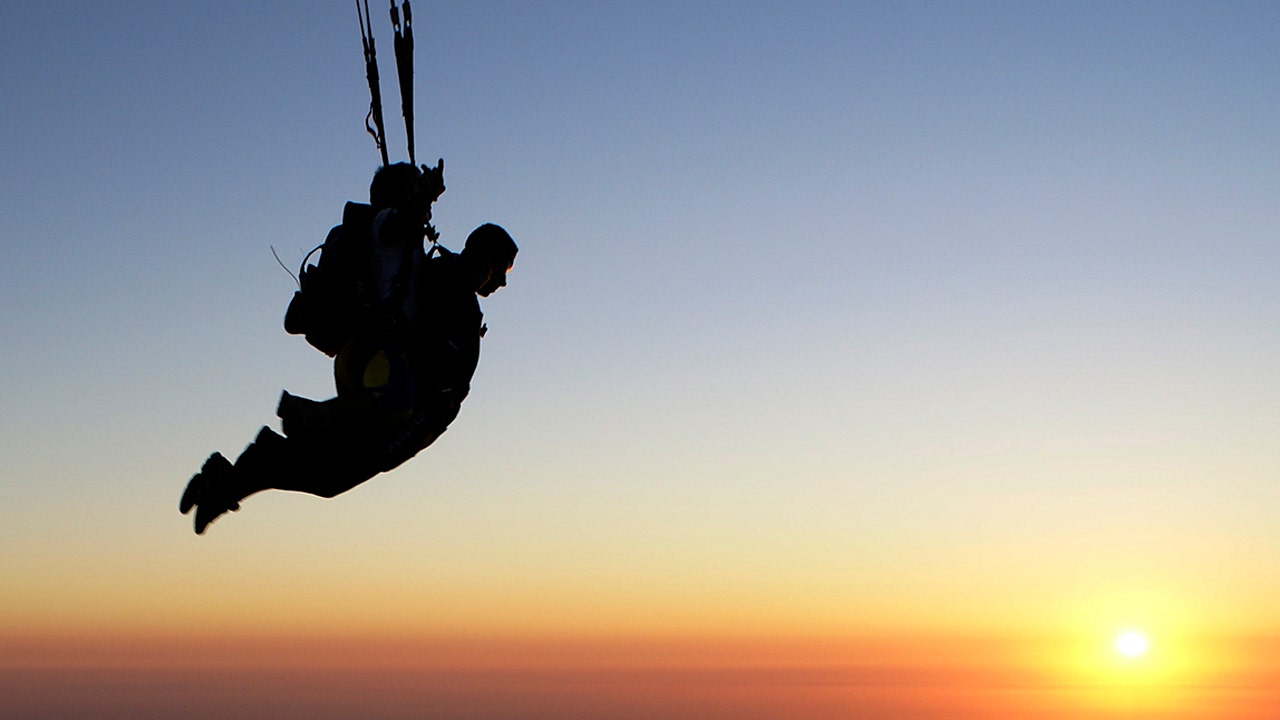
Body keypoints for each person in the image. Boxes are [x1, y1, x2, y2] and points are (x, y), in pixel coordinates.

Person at [179, 163, 517, 534]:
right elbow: (406, 236)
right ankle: (303, 419)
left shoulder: (417, 256)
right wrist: (424, 198)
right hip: (379, 365)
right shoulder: (396, 235)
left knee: (329, 473)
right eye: (502, 270)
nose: (501, 281)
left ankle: (227, 480)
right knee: (351, 452)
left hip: (376, 365)